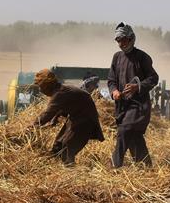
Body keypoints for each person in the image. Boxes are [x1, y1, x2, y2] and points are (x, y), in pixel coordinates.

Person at [107, 23, 159, 167]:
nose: (121, 44)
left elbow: (153, 78)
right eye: (118, 40)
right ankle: (145, 165)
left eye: (124, 40)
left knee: (125, 130)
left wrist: (137, 86)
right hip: (122, 105)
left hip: (138, 105)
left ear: (131, 38)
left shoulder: (142, 57)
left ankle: (115, 165)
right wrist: (114, 91)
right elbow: (111, 80)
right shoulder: (117, 57)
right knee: (134, 135)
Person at [33, 69, 104, 165]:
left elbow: (48, 114)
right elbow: (60, 107)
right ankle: (56, 167)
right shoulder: (60, 90)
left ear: (47, 85)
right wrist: (55, 118)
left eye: (41, 87)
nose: (40, 90)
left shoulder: (59, 93)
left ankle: (71, 171)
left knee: (67, 148)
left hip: (85, 121)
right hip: (76, 118)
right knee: (58, 145)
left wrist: (33, 126)